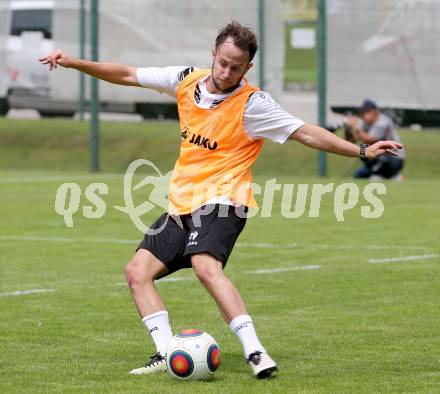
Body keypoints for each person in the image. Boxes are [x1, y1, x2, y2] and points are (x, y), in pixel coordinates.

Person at [39, 22, 402, 379]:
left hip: (226, 199)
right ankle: (167, 354)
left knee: (204, 265)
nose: (227, 72)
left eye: (236, 67)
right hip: (182, 204)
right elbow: (128, 74)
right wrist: (75, 63)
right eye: (223, 62)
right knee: (137, 272)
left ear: (248, 68)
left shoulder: (253, 104)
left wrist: (361, 149)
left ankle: (255, 350)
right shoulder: (184, 79)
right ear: (213, 54)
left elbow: (304, 132)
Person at [348, 99, 405, 179]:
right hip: (379, 158)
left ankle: (383, 175)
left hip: (394, 159)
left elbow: (370, 139)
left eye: (364, 113)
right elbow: (352, 141)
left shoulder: (382, 122)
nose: (362, 115)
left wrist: (356, 128)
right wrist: (350, 129)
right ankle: (393, 177)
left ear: (373, 112)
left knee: (369, 156)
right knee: (358, 176)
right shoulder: (365, 123)